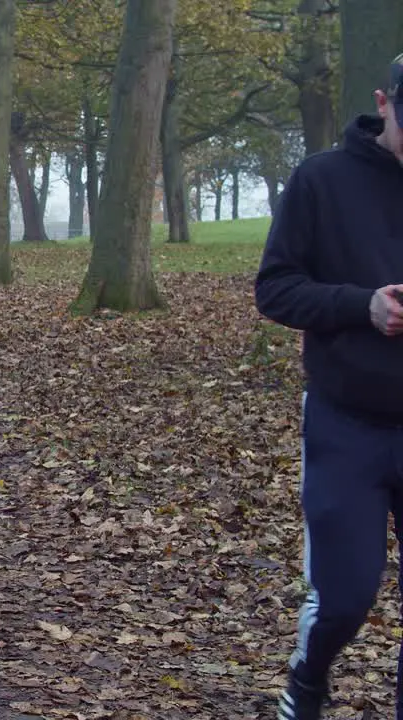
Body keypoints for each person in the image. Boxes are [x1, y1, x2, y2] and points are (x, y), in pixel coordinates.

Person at [255, 53, 403, 720]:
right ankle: (309, 679)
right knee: (344, 597)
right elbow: (276, 289)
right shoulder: (322, 180)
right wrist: (361, 305)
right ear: (384, 101)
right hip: (350, 420)